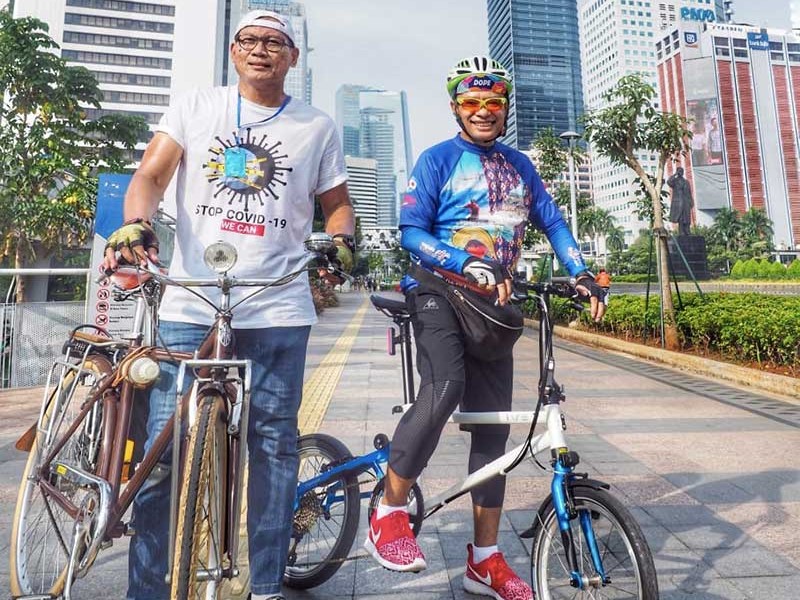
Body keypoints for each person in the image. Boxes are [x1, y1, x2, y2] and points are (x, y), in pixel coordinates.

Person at [100, 10, 355, 600]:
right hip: (190, 302)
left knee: (273, 443)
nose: (261, 50)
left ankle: (264, 585)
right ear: (233, 51)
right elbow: (151, 176)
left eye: (275, 43)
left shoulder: (317, 126)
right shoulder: (195, 107)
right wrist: (135, 225)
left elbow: (337, 206)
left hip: (279, 307)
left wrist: (343, 240)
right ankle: (147, 588)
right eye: (249, 40)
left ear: (293, 57)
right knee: (165, 445)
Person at [363, 55, 604, 600]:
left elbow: (553, 219)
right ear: (455, 108)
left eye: (494, 102)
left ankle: (485, 559)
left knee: (494, 433)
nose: (484, 111)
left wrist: (581, 271)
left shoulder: (520, 164)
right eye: (472, 102)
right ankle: (390, 508)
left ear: (504, 109)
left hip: (495, 305)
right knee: (444, 386)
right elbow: (409, 232)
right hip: (436, 291)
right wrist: (462, 261)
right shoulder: (437, 159)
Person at [667, 166, 694, 236]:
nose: (681, 172)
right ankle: (681, 231)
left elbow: (689, 192)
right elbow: (669, 182)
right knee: (680, 218)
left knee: (687, 217)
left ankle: (687, 231)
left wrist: (691, 201)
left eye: (681, 171)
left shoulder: (686, 182)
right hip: (678, 202)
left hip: (686, 201)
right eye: (679, 171)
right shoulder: (675, 181)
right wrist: (675, 174)